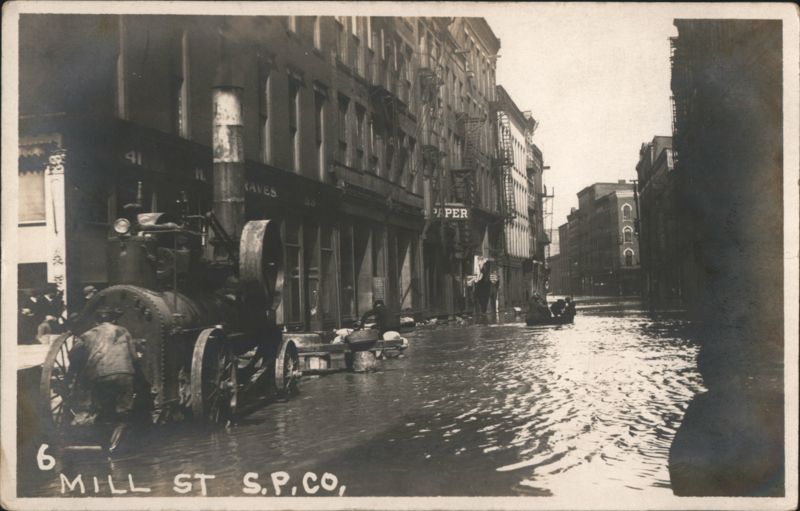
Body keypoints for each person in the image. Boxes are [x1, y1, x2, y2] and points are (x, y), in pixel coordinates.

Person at [68, 319, 141, 453]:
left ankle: (102, 442)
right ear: (113, 320)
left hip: (99, 375)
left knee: (100, 407)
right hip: (124, 374)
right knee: (123, 411)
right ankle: (115, 444)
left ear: (96, 323)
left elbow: (73, 354)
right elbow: (135, 358)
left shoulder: (88, 334)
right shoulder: (123, 331)